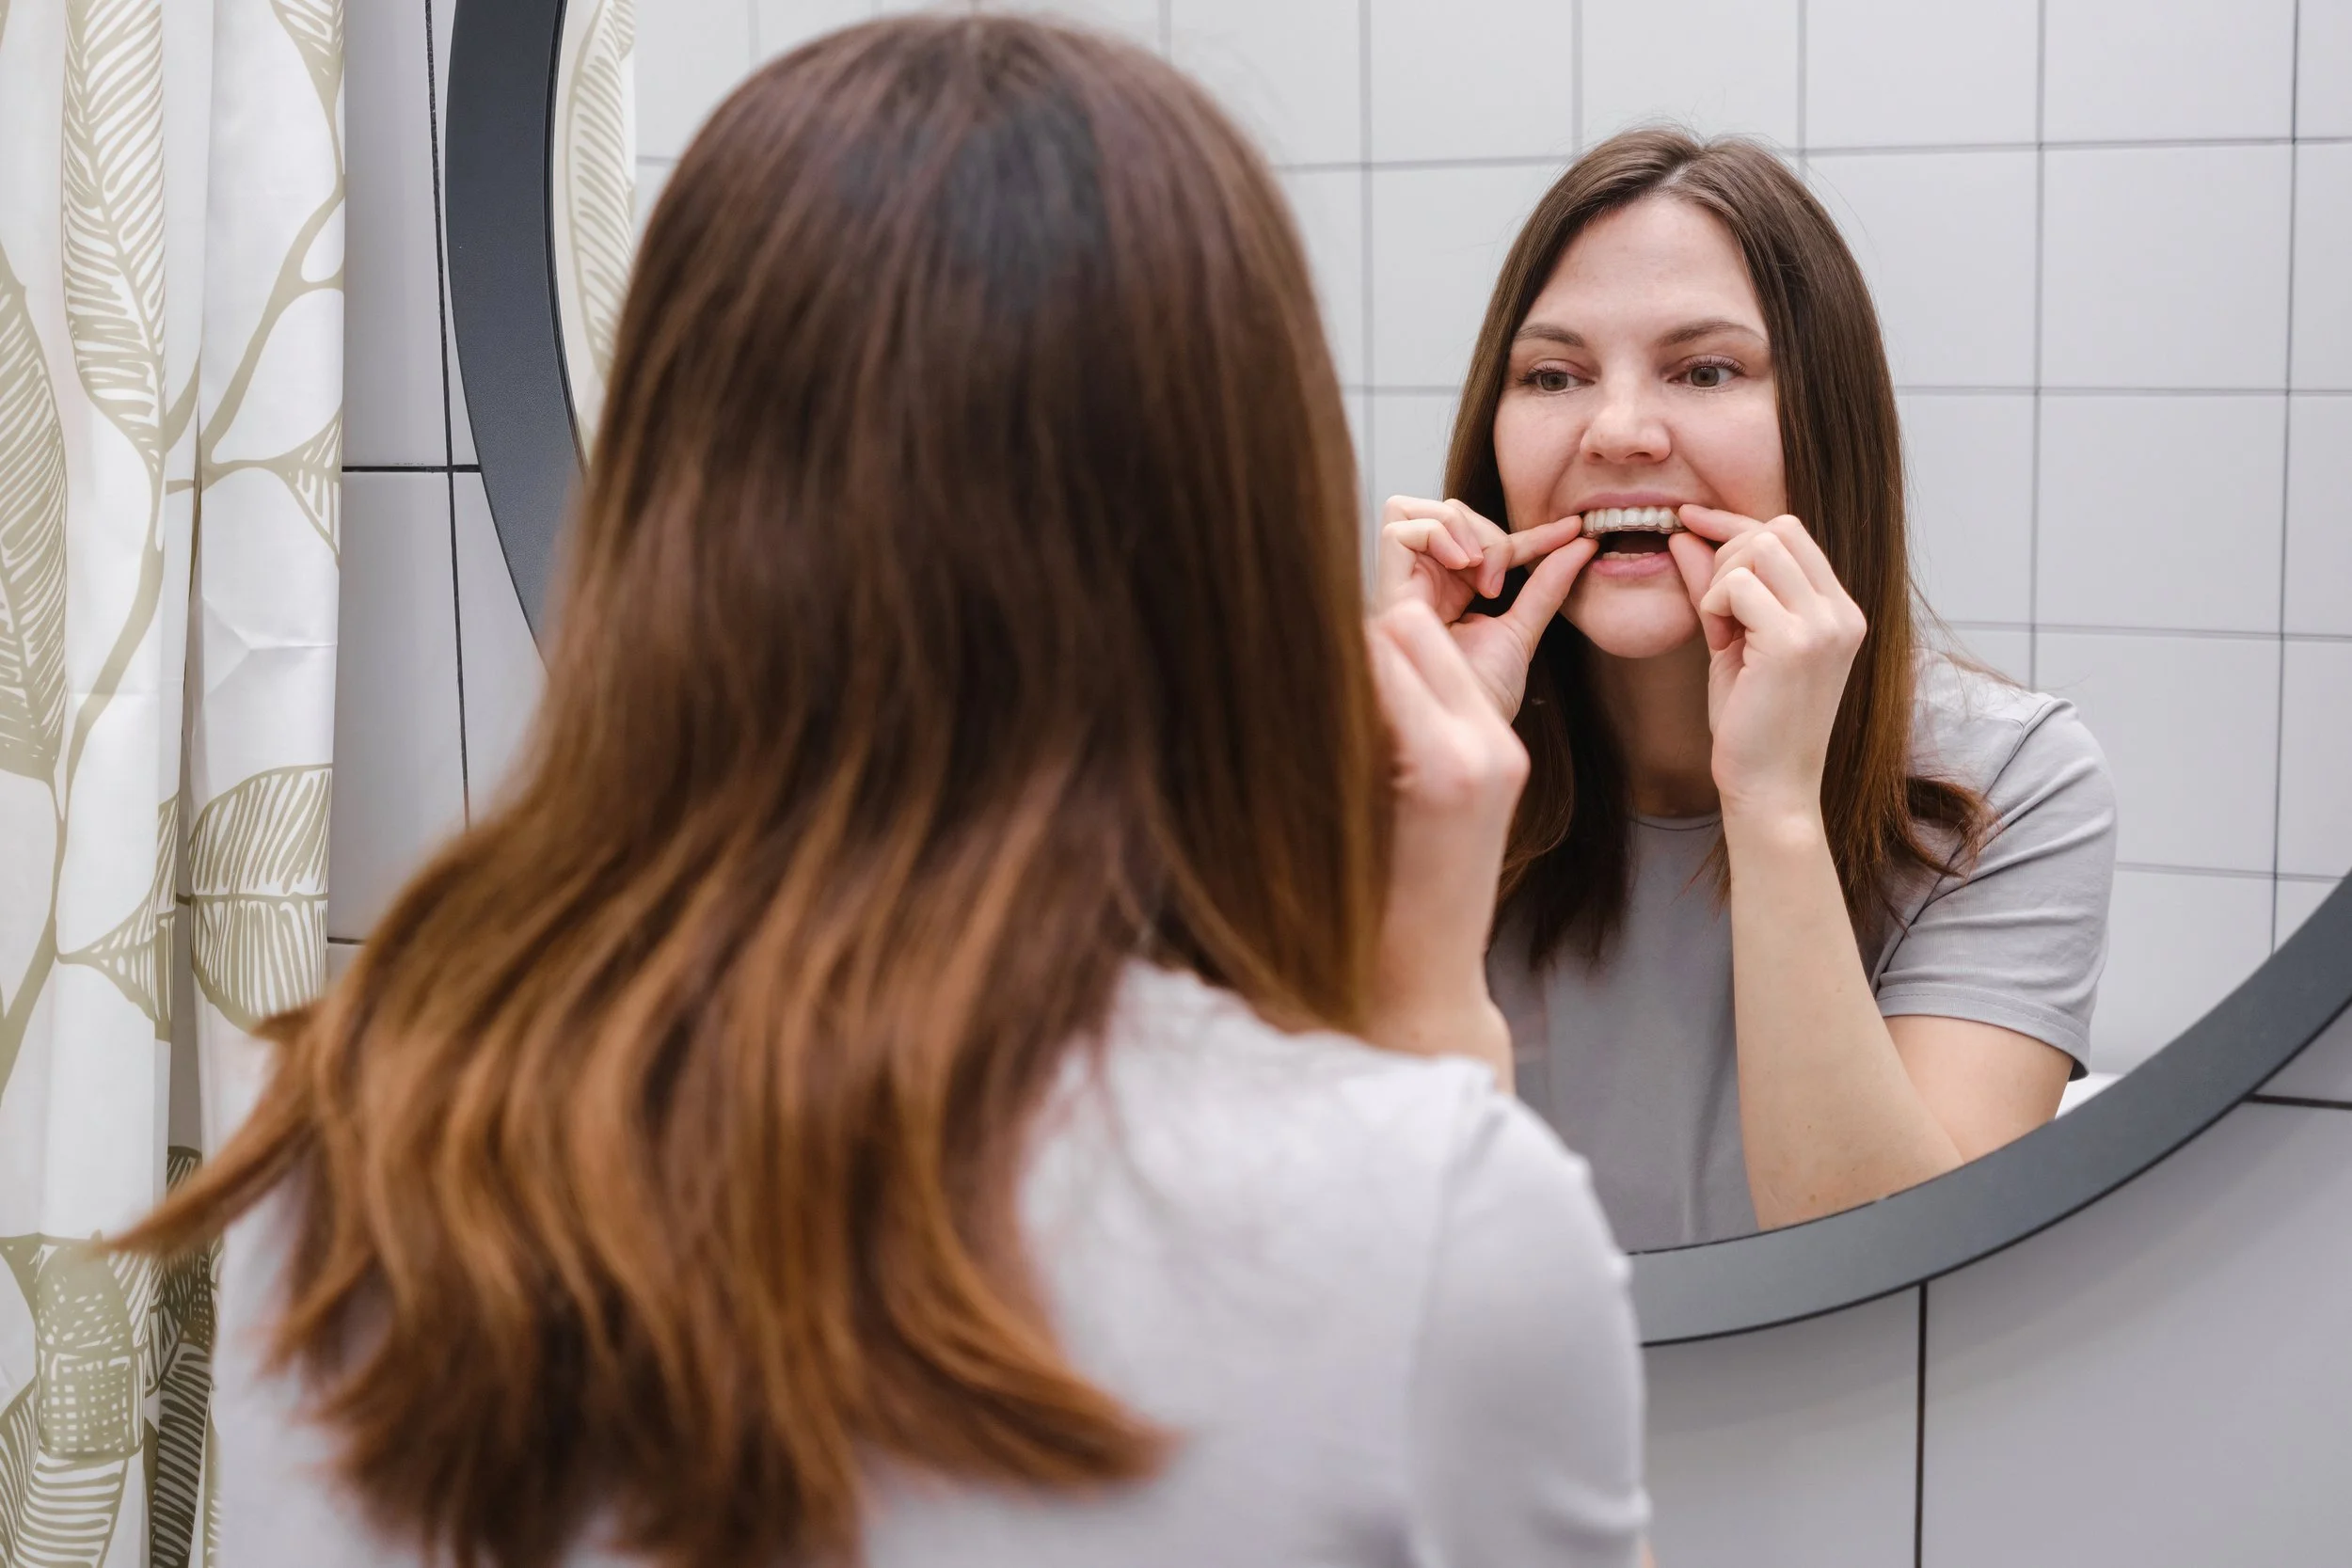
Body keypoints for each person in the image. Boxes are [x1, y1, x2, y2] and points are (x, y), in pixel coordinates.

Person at [122, 17, 1650, 1568]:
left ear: (664, 502)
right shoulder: (1435, 1227)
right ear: (1242, 541)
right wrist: (1430, 1039)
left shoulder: (337, 1139)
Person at [1380, 130, 2117, 1251]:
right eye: (1552, 375)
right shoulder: (1395, 753)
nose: (1618, 430)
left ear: (1825, 425)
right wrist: (1392, 794)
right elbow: (1286, 1215)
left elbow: (1905, 1280)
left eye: (1705, 369)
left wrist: (1771, 803)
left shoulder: (2014, 780)